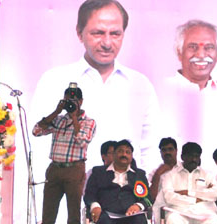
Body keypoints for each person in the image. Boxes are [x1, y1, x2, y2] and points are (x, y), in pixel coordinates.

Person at [30, 0, 160, 171]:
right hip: (66, 189)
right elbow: (37, 144)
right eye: (98, 33)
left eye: (115, 34)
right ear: (79, 33)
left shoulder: (140, 84)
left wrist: (143, 193)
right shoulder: (54, 80)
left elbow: (150, 149)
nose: (107, 43)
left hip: (124, 192)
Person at [30, 85, 96, 224]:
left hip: (74, 169)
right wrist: (57, 111)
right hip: (55, 169)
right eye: (67, 100)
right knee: (48, 217)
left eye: (73, 101)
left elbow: (82, 140)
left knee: (73, 218)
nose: (70, 104)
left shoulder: (88, 121)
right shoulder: (58, 119)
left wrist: (74, 117)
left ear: (81, 102)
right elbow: (36, 130)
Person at [83, 140, 149, 224]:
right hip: (107, 212)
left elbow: (148, 199)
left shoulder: (139, 174)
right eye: (120, 151)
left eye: (127, 152)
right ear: (113, 155)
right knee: (105, 221)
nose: (124, 154)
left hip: (130, 214)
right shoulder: (98, 172)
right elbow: (89, 195)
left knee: (140, 221)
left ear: (131, 156)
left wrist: (138, 205)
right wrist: (95, 206)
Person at [173, 19, 217, 90]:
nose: (201, 55)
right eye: (192, 47)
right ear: (179, 53)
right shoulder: (161, 90)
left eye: (209, 47)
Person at [149, 137, 177, 202]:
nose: (167, 152)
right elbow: (151, 198)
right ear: (160, 152)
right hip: (162, 207)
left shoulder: (183, 168)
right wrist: (157, 174)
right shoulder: (154, 172)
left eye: (170, 149)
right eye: (164, 150)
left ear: (176, 151)